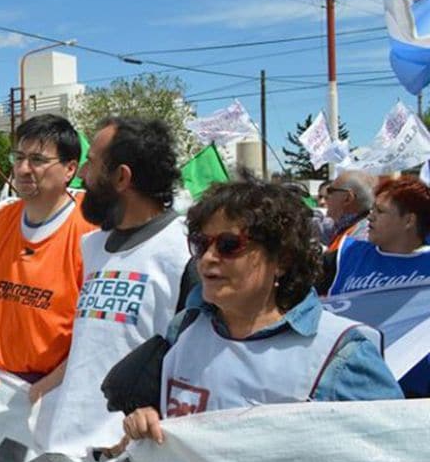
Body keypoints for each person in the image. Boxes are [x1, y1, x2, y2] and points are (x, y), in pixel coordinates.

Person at [113, 180, 403, 446]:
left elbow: (398, 457)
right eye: (201, 244)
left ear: (281, 259)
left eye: (229, 245)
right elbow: (158, 420)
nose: (209, 258)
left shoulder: (340, 354)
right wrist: (145, 418)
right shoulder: (185, 327)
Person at [28, 117, 197, 456]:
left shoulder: (185, 251)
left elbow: (194, 363)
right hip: (64, 447)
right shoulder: (90, 247)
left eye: (90, 163)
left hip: (130, 455)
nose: (81, 176)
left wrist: (153, 420)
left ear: (122, 177)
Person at [0, 114, 98, 398]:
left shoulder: (90, 226)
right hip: (0, 382)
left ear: (69, 169)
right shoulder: (3, 217)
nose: (23, 169)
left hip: (57, 389)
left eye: (38, 160)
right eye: (19, 158)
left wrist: (49, 386)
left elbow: (96, 330)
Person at [320, 177, 430, 397]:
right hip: (350, 387)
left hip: (415, 396)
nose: (370, 216)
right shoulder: (346, 255)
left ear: (408, 221)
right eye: (371, 209)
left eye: (380, 211)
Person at [323, 171, 374, 251]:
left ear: (348, 198)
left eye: (330, 191)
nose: (326, 197)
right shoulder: (344, 226)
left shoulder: (360, 239)